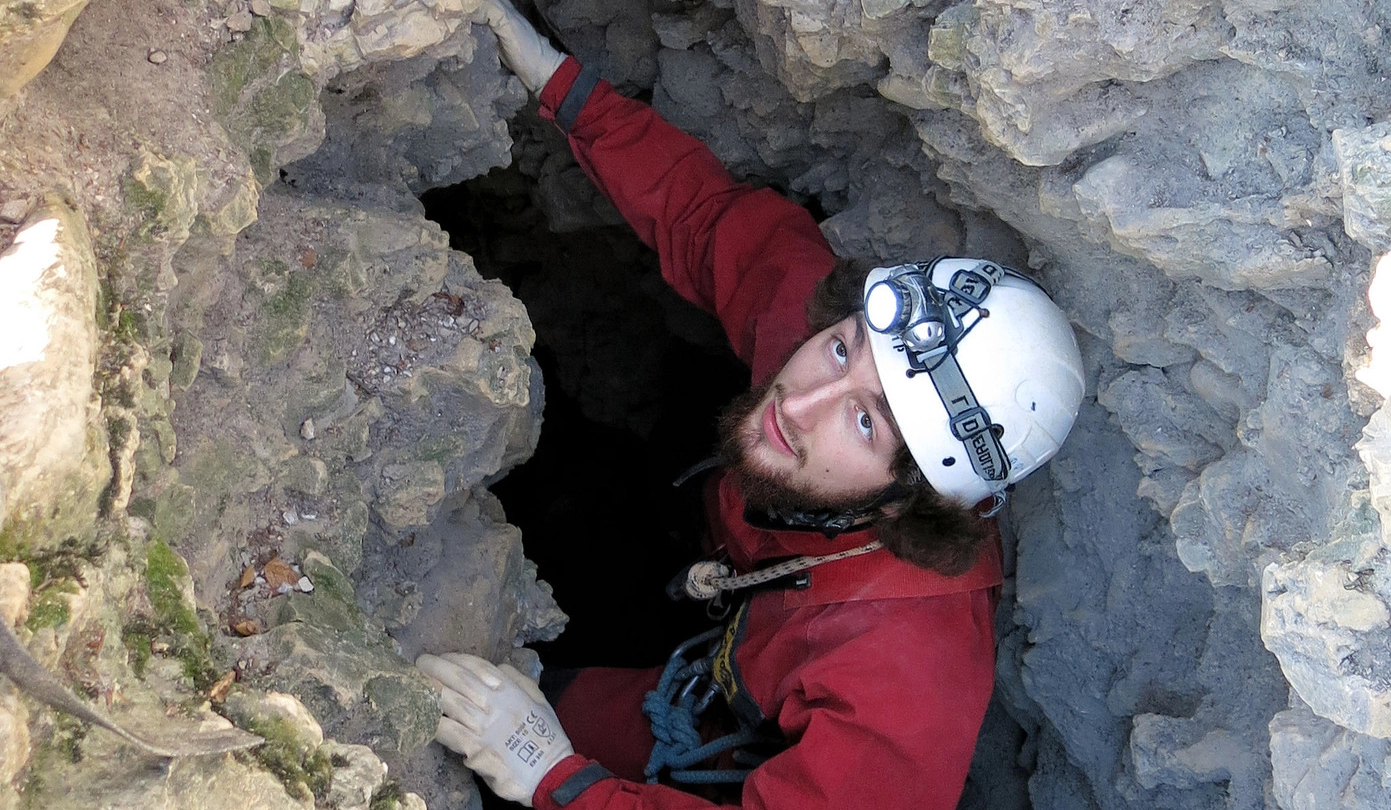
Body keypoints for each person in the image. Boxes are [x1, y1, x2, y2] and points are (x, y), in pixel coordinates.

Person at [416, 2, 1086, 808]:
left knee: (500, 720)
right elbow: (707, 218)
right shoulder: (830, 357)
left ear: (919, 499)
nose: (802, 399)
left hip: (733, 725)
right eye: (843, 348)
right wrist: (558, 81)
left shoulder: (908, 677)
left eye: (865, 420)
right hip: (721, 580)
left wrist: (558, 782)